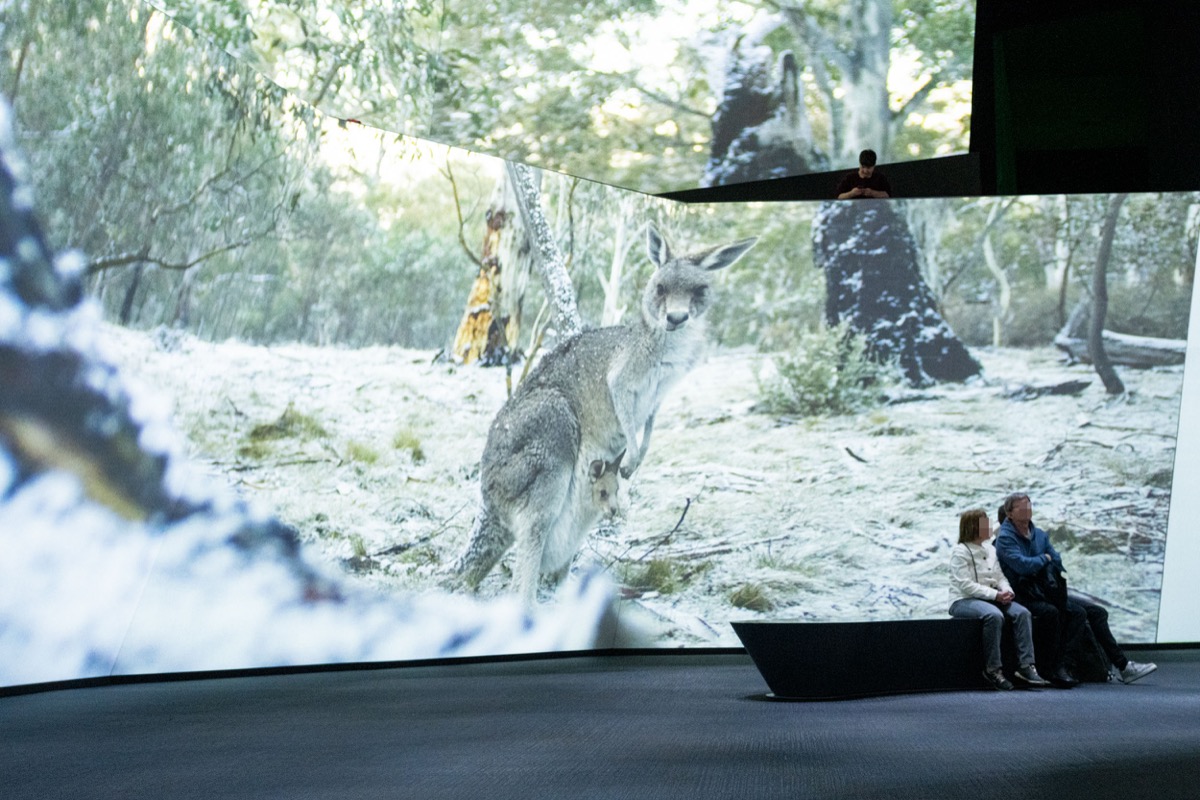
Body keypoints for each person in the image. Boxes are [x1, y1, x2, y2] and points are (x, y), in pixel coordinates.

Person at [994, 493, 1157, 686]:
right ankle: (1061, 667)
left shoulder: (1039, 534)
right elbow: (1023, 566)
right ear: (1010, 513)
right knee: (1073, 613)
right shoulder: (1005, 538)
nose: (1027, 511)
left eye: (1029, 506)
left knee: (1097, 612)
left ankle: (1122, 666)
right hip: (1026, 594)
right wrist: (1043, 559)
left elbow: (1056, 559)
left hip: (1047, 591)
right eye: (1022, 508)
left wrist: (1041, 562)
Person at [949, 509, 1050, 691]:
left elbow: (1000, 577)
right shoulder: (960, 551)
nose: (990, 526)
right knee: (994, 616)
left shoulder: (991, 549)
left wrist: (1007, 591)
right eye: (985, 523)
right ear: (973, 527)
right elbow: (965, 585)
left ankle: (1026, 665)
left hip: (991, 598)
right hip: (963, 600)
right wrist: (995, 595)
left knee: (1022, 613)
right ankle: (993, 669)